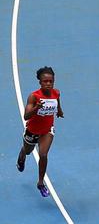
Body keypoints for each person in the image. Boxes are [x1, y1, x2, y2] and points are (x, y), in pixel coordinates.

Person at [16, 66, 64, 197]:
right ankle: (22, 154)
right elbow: (26, 116)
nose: (48, 84)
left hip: (47, 130)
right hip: (32, 130)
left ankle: (41, 183)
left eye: (51, 81)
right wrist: (36, 108)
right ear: (40, 82)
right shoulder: (34, 96)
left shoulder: (56, 93)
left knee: (43, 154)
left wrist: (59, 111)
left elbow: (57, 103)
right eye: (45, 81)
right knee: (28, 151)